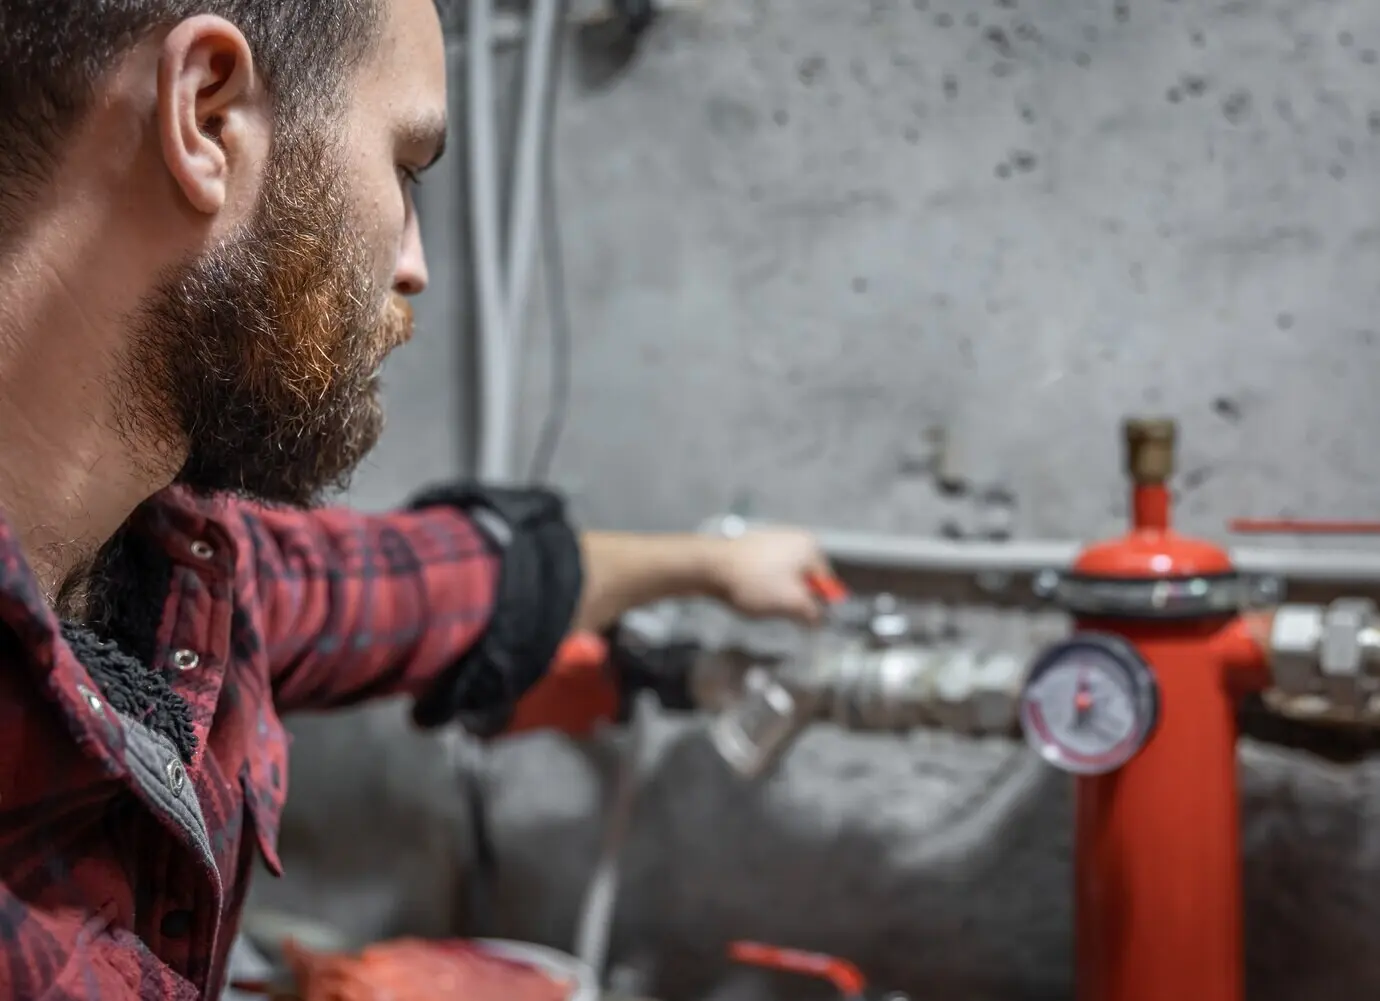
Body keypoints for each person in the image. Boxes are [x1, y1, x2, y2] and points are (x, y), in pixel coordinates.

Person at [0, 0, 835, 997]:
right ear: (208, 114)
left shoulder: (161, 557)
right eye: (404, 167)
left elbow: (409, 585)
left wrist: (708, 566)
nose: (414, 265)